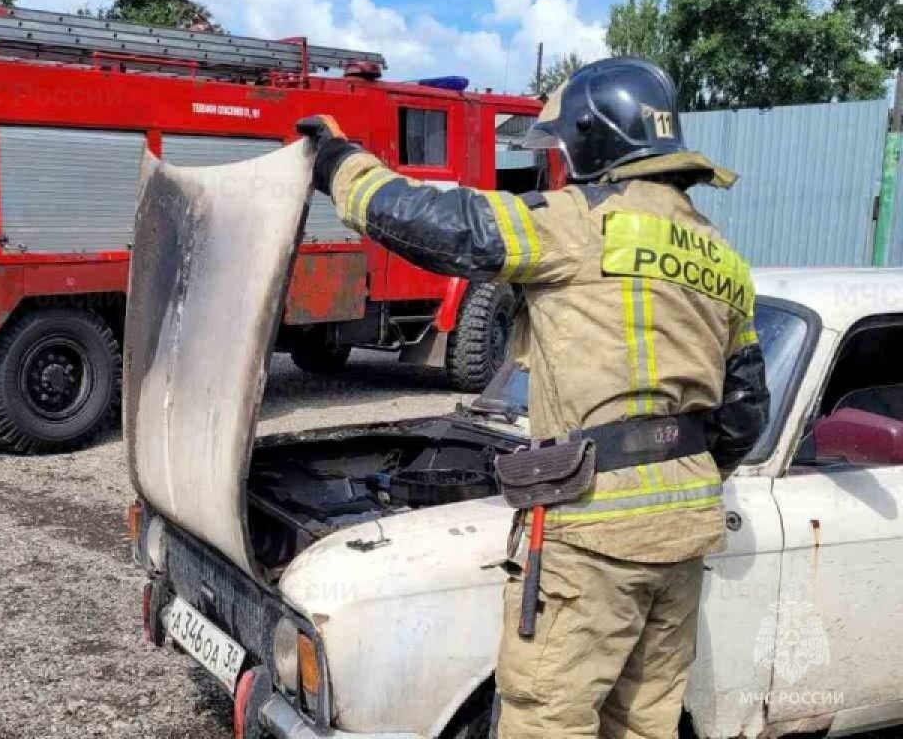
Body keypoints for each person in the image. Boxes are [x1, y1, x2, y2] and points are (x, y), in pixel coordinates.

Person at [297, 57, 771, 737]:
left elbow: (441, 223)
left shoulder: (578, 224)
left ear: (591, 139)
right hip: (684, 531)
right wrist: (676, 475)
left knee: (546, 719)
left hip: (591, 533)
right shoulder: (722, 254)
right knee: (643, 724)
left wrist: (340, 163)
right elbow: (746, 407)